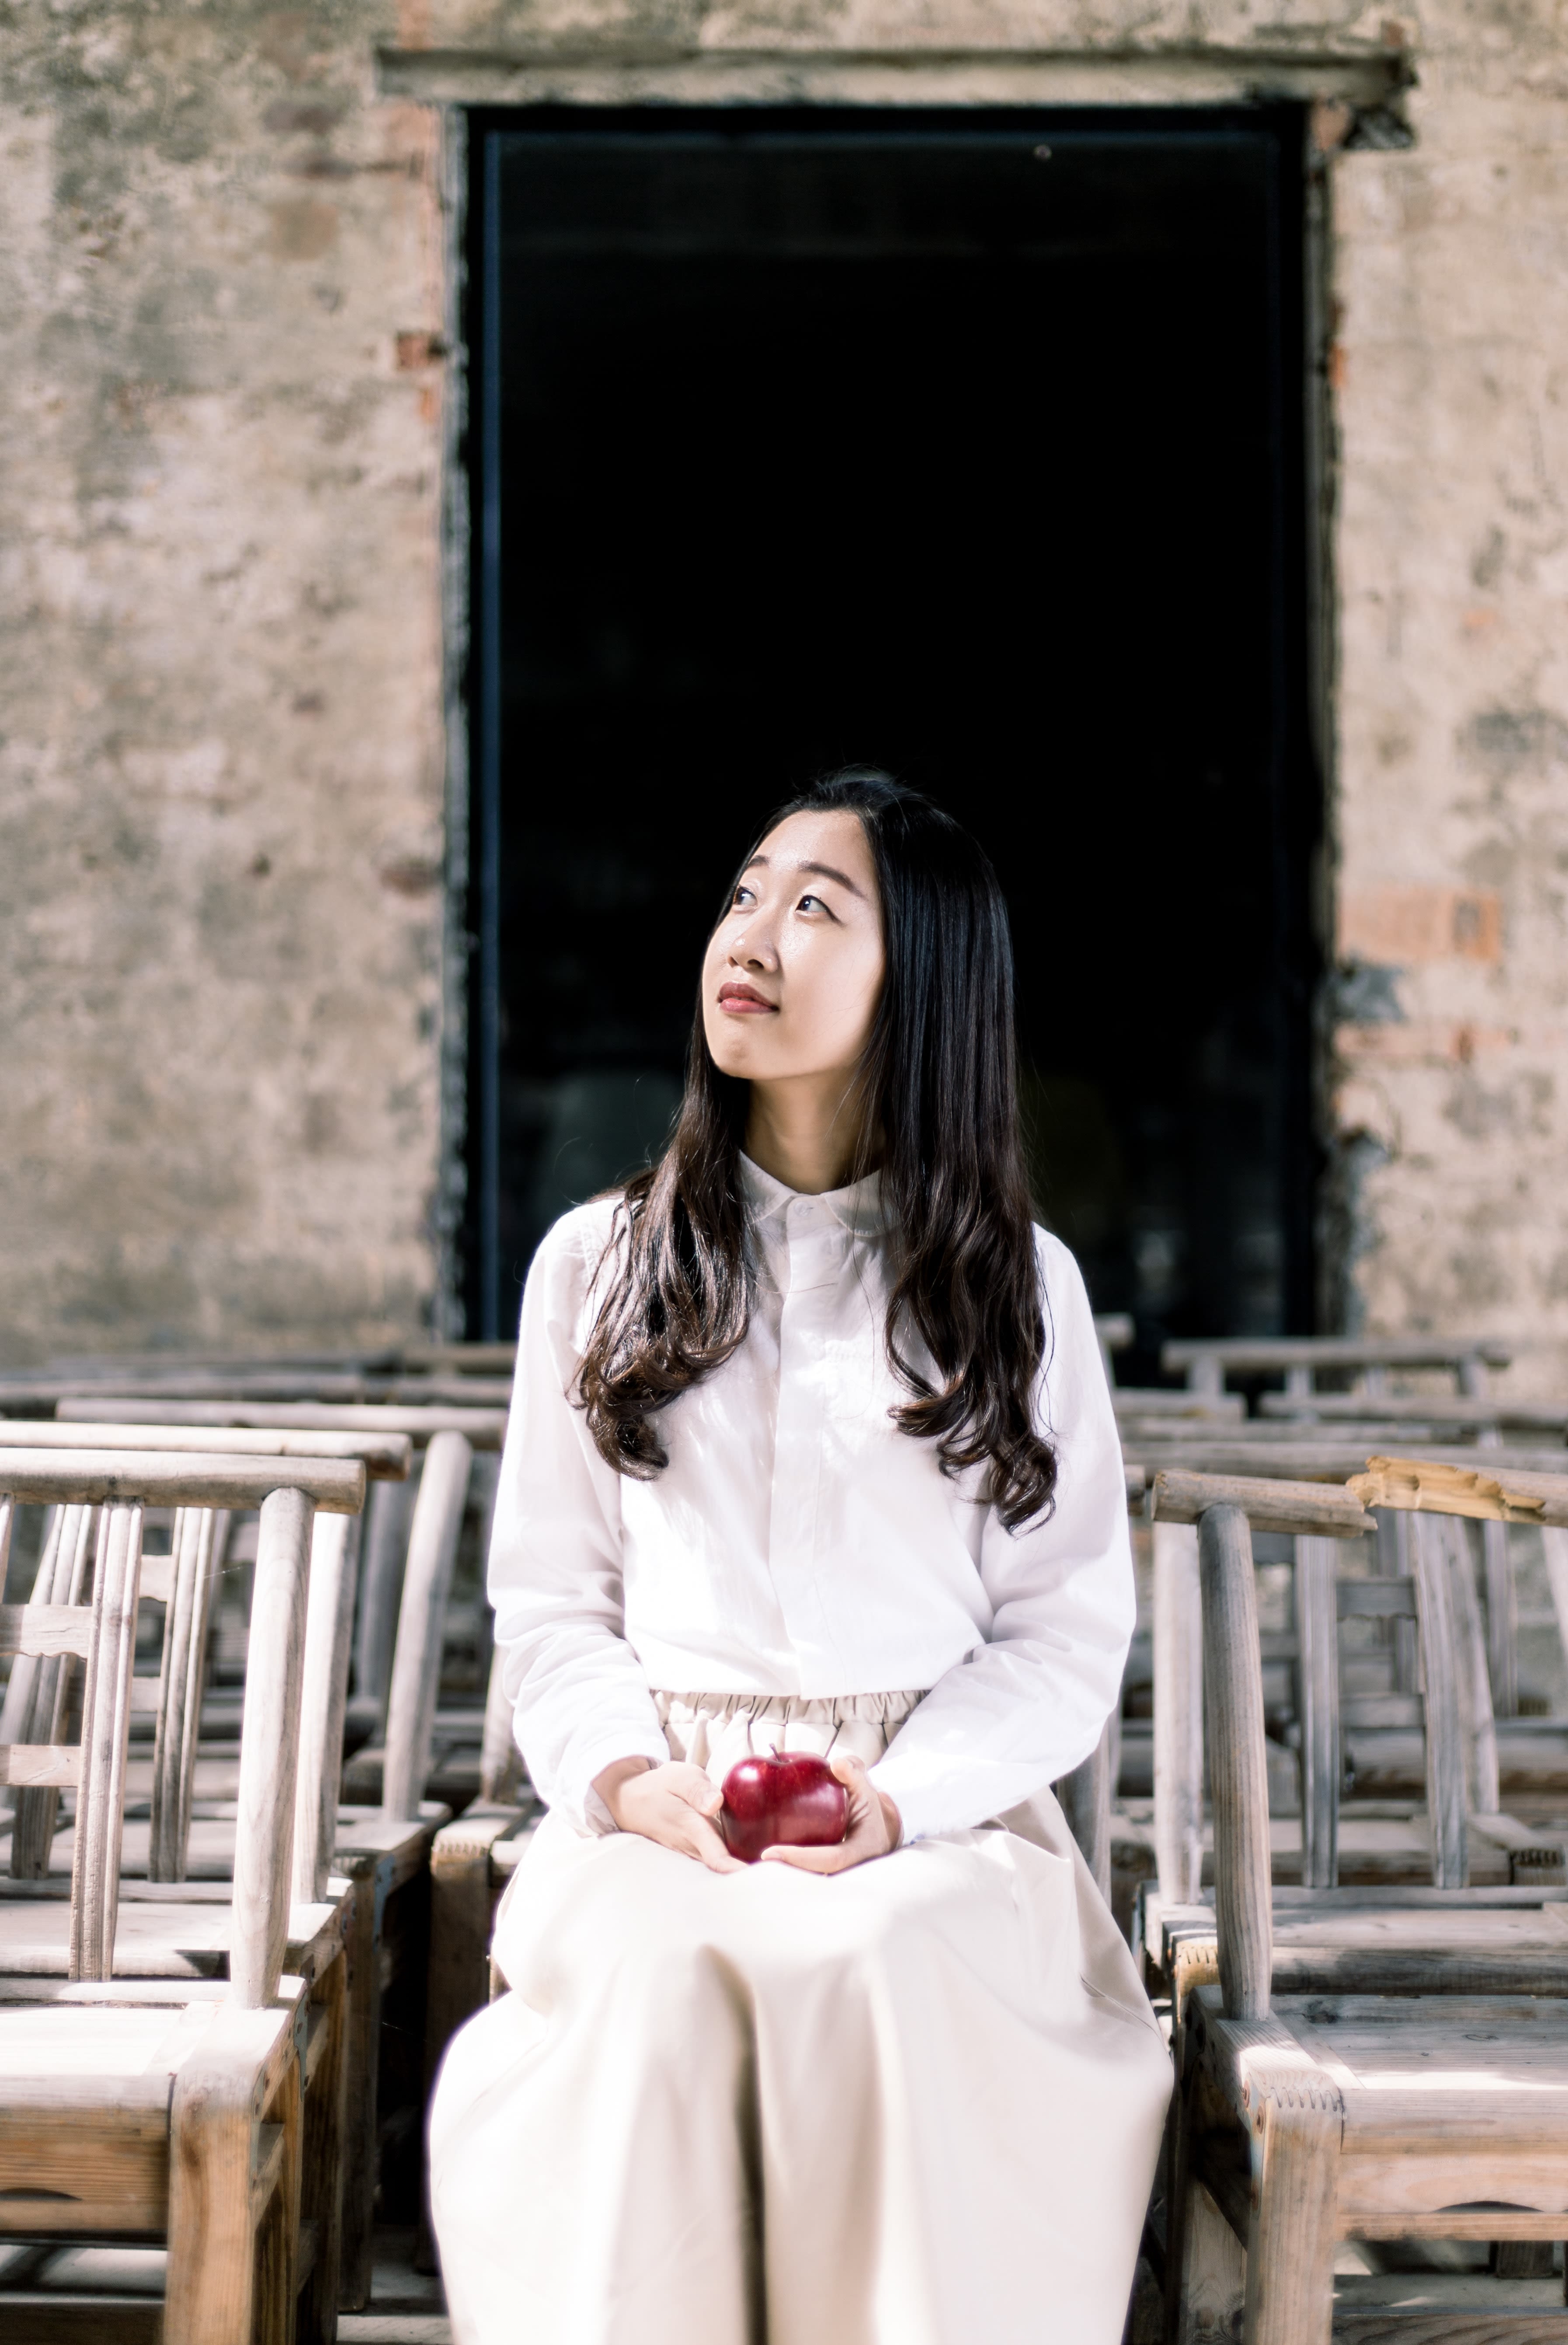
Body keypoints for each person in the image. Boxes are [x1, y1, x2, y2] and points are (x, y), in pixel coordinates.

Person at [429, 769, 1171, 2345]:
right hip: (660, 1810)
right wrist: (632, 1783)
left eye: (814, 907)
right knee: (654, 1975)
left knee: (888, 1963)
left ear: (930, 983)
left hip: (935, 1820)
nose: (750, 935)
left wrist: (899, 1800)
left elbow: (1059, 1637)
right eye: (743, 894)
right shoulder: (600, 1265)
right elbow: (553, 1604)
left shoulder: (1016, 1292)